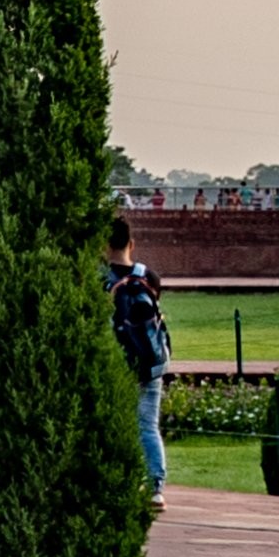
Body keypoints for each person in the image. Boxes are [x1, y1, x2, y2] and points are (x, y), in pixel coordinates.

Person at [105, 214, 170, 507]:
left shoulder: (102, 280)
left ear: (104, 245)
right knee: (148, 425)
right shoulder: (149, 277)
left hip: (117, 362)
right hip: (150, 363)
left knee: (117, 424)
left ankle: (123, 482)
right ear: (131, 244)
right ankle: (156, 488)